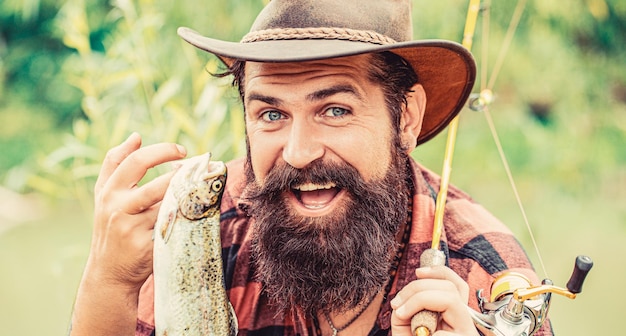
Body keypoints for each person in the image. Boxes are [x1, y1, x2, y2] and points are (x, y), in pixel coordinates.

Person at [69, 1, 553, 335]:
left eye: (335, 110)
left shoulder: (485, 276)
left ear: (405, 117)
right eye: (272, 114)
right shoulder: (205, 229)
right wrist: (108, 282)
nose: (298, 152)